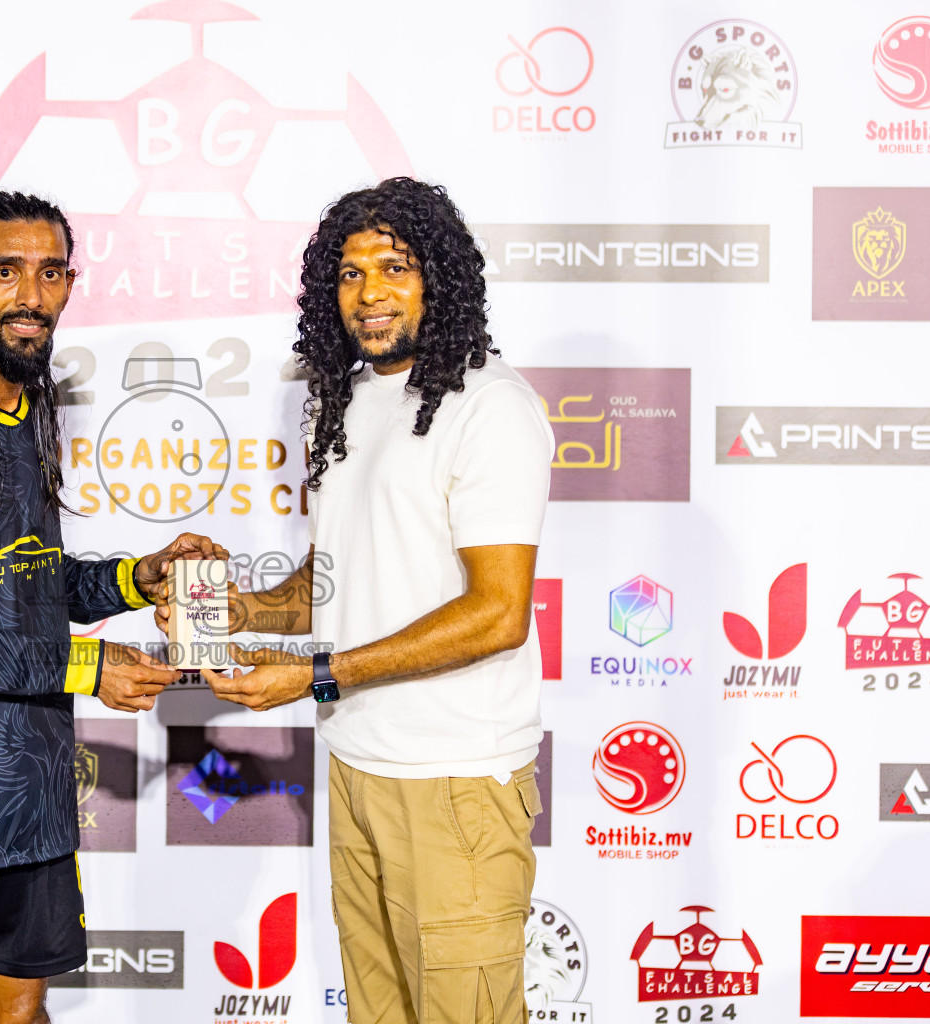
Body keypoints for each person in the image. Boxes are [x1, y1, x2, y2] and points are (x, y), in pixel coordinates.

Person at [158, 177, 554, 1024]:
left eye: (395, 267)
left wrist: (319, 676)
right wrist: (240, 612)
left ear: (438, 278)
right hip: (357, 766)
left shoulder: (491, 408)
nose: (370, 293)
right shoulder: (344, 402)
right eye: (349, 273)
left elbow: (497, 612)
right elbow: (340, 576)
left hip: (455, 782)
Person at [0, 190, 226, 1024]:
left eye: (50, 273)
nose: (32, 294)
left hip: (35, 788)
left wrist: (140, 578)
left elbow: (22, 584)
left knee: (19, 1015)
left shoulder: (27, 413)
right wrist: (85, 665)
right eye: (7, 271)